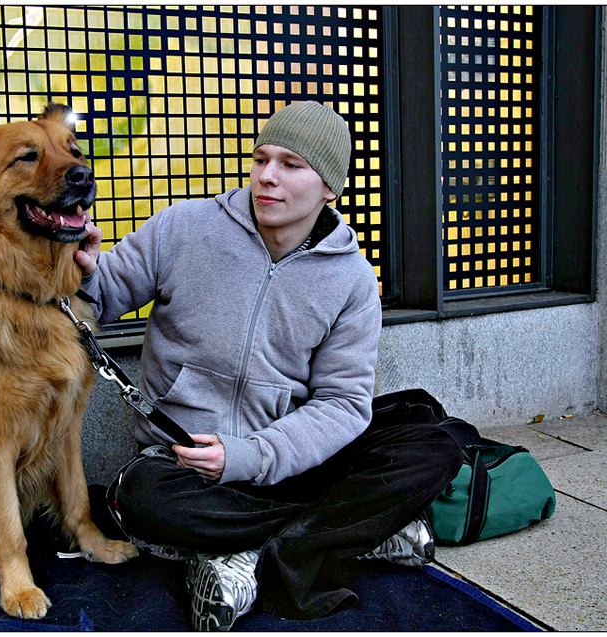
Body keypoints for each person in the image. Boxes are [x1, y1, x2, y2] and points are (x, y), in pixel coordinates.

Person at [74, 101, 463, 631]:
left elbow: (343, 403)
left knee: (432, 443)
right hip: (185, 463)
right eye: (261, 159)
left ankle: (248, 558)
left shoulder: (351, 280)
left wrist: (254, 454)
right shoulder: (184, 228)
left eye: (291, 165)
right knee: (140, 496)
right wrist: (83, 263)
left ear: (329, 188)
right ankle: (348, 536)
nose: (267, 177)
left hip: (283, 456)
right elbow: (102, 294)